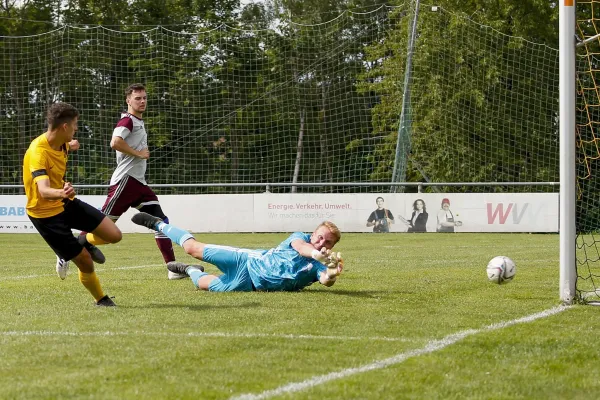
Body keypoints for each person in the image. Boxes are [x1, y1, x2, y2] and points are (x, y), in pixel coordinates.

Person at [78, 83, 184, 279]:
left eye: (144, 98)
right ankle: (74, 246)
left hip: (139, 184)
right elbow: (115, 142)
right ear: (128, 100)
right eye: (137, 98)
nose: (142, 101)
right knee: (104, 229)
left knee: (161, 222)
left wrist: (139, 155)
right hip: (125, 183)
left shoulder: (138, 121)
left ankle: (172, 269)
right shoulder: (127, 121)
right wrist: (139, 154)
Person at [23, 102, 122, 306]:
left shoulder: (62, 141)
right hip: (45, 215)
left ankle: (83, 240)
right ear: (64, 127)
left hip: (65, 202)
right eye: (75, 125)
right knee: (85, 261)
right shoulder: (38, 153)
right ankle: (100, 299)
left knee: (114, 235)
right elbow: (43, 190)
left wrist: (73, 144)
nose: (77, 128)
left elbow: (71, 144)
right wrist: (63, 191)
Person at [130, 212, 344, 292]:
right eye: (319, 236)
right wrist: (318, 254)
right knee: (192, 248)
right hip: (246, 261)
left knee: (203, 284)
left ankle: (189, 270)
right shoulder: (300, 237)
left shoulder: (320, 264)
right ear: (313, 232)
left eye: (327, 241)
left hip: (248, 285)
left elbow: (325, 281)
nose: (320, 242)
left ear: (331, 247)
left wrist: (332, 272)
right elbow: (302, 248)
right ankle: (158, 224)